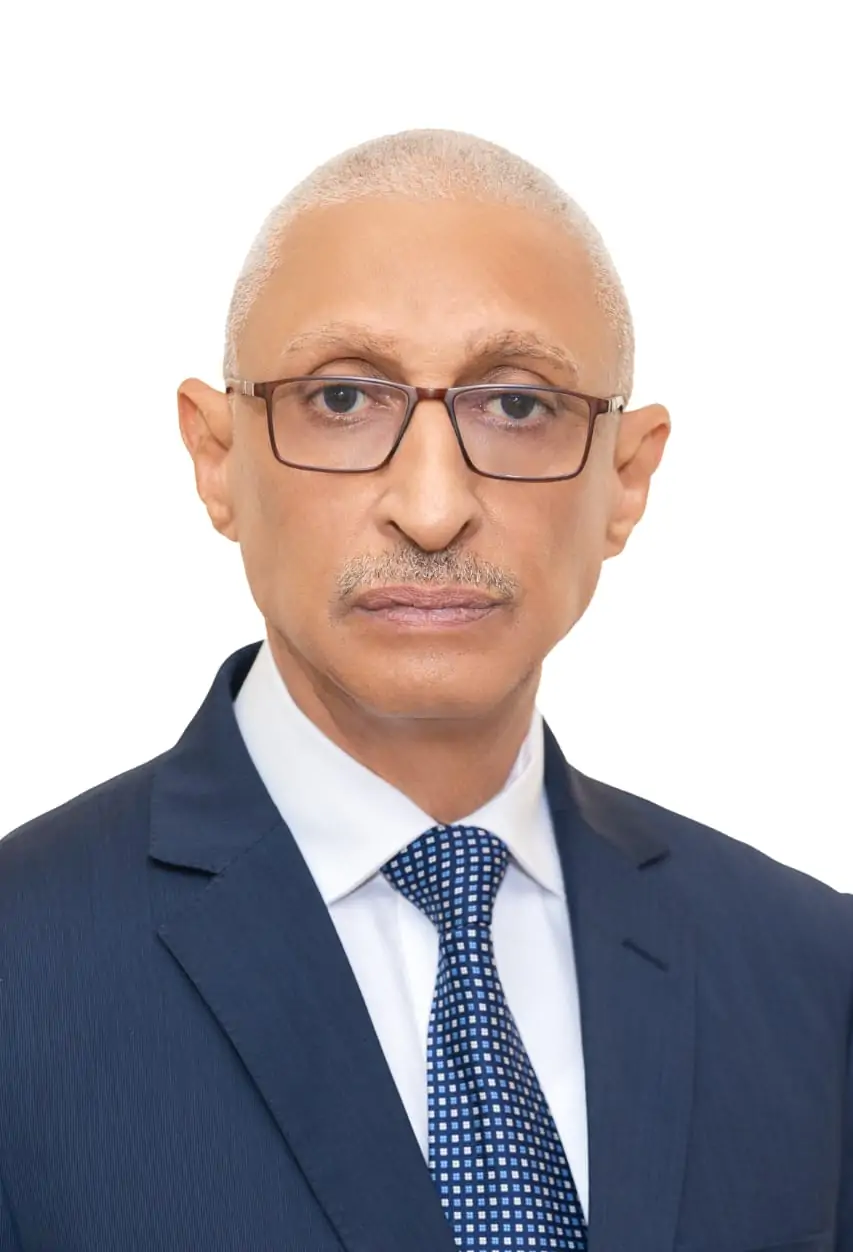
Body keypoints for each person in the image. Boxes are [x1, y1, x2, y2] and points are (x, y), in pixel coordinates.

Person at [0, 128, 849, 1252]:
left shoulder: (811, 972)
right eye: (342, 397)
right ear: (216, 456)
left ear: (625, 478)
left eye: (518, 406)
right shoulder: (22, 964)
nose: (433, 507)